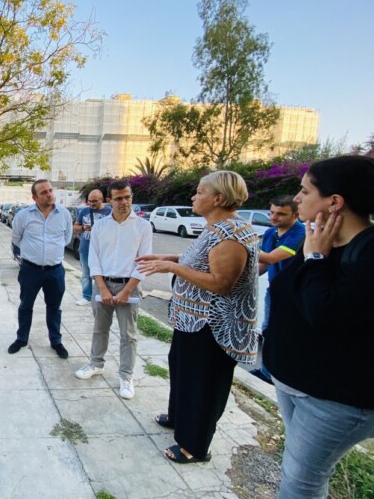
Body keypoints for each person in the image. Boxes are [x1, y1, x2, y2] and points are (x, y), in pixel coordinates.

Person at [262, 156, 374, 499]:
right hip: (295, 384)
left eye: (305, 190)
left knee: (301, 482)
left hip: (333, 400)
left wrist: (314, 259)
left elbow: (324, 312)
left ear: (335, 201)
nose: (297, 198)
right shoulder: (321, 239)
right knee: (296, 472)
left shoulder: (366, 253)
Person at [136, 171, 259, 464]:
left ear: (218, 198)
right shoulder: (214, 226)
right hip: (191, 320)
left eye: (200, 191)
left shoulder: (232, 234)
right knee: (183, 373)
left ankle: (195, 446)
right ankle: (180, 419)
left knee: (203, 385)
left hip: (213, 327)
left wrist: (173, 270)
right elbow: (200, 260)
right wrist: (171, 259)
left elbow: (221, 283)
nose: (193, 196)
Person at [75, 180, 152, 400]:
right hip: (103, 284)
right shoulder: (100, 226)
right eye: (118, 198)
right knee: (100, 329)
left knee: (128, 334)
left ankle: (126, 376)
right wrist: (102, 288)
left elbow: (143, 262)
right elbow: (94, 258)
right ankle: (96, 363)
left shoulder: (143, 227)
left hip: (129, 286)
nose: (124, 202)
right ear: (110, 200)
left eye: (127, 197)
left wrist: (127, 291)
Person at [8, 179, 73, 358]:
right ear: (34, 197)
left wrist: (51, 253)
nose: (49, 194)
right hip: (30, 270)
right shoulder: (23, 216)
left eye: (50, 190)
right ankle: (21, 338)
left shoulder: (64, 214)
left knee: (54, 307)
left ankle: (56, 341)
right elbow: (16, 238)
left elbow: (67, 238)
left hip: (55, 271)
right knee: (25, 305)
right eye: (44, 192)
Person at [250, 196, 305, 384]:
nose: (274, 217)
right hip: (274, 291)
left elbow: (272, 258)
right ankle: (267, 373)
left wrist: (238, 247)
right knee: (268, 330)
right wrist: (241, 280)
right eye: (272, 212)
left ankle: (285, 375)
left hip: (296, 294)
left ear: (296, 215)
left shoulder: (300, 234)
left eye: (281, 214)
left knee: (289, 334)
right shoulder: (270, 233)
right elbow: (263, 264)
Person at [74, 189, 112, 306]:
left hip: (102, 249)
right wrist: (84, 228)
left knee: (101, 274)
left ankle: (101, 295)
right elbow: (75, 227)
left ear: (102, 200)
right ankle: (86, 296)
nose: (91, 203)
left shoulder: (109, 212)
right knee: (86, 273)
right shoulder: (84, 211)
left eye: (94, 201)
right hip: (85, 247)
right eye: (89, 201)